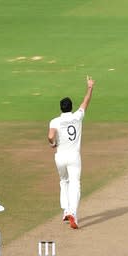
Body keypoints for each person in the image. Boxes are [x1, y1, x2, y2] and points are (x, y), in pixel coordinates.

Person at [48, 76, 95, 229]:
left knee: (64, 182)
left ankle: (66, 210)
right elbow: (85, 102)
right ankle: (73, 212)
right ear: (70, 107)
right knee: (75, 183)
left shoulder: (55, 121)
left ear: (61, 108)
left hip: (60, 156)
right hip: (74, 156)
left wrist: (53, 143)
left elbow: (50, 136)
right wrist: (90, 87)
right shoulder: (77, 117)